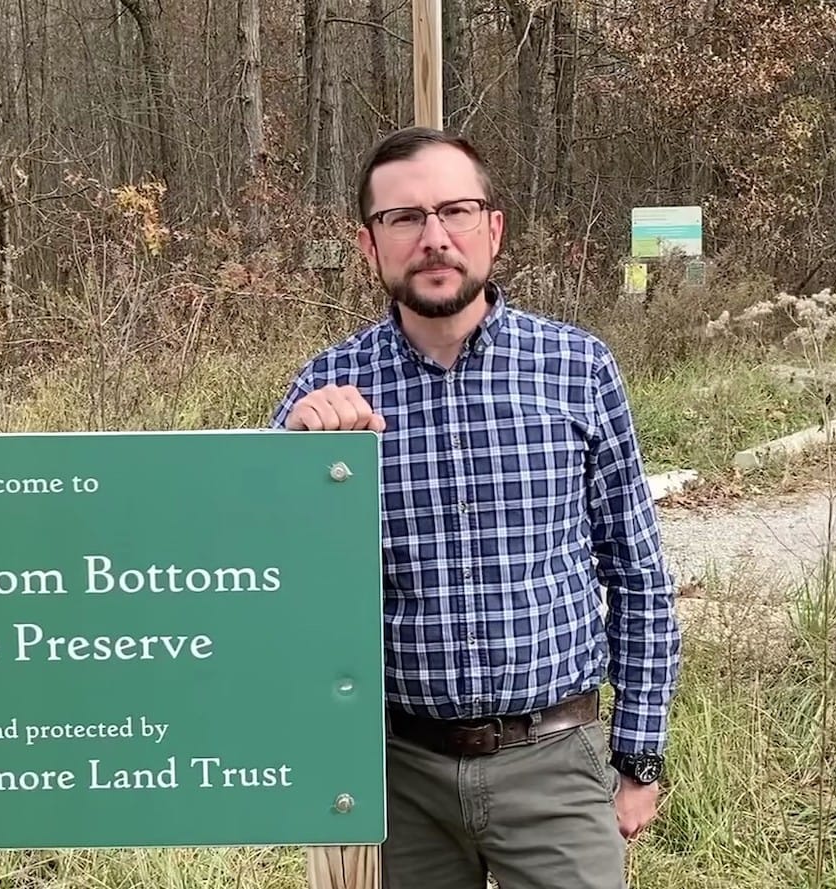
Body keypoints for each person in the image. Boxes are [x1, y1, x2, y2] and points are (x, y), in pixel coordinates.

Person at [269, 127, 681, 888]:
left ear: (492, 227)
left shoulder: (576, 368)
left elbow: (638, 572)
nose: (433, 237)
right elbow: (266, 579)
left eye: (454, 211)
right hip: (395, 774)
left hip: (555, 762)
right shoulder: (324, 388)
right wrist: (293, 464)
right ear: (370, 244)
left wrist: (640, 755)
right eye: (404, 219)